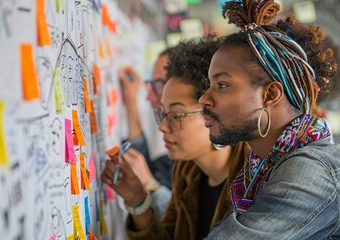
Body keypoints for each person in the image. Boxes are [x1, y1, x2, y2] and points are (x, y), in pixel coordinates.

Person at [199, 1, 340, 239]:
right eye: (210, 85)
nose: (204, 99)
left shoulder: (312, 172)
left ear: (270, 94)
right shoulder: (262, 166)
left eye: (223, 85)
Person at [102, 36, 250, 240]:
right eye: (162, 114)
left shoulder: (253, 176)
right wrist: (137, 200)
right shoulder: (186, 172)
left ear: (214, 112)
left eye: (176, 116)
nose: (163, 127)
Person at [117, 49, 176, 218]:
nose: (149, 97)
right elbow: (146, 167)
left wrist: (149, 184)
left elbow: (180, 226)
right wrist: (130, 101)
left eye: (159, 85)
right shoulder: (176, 164)